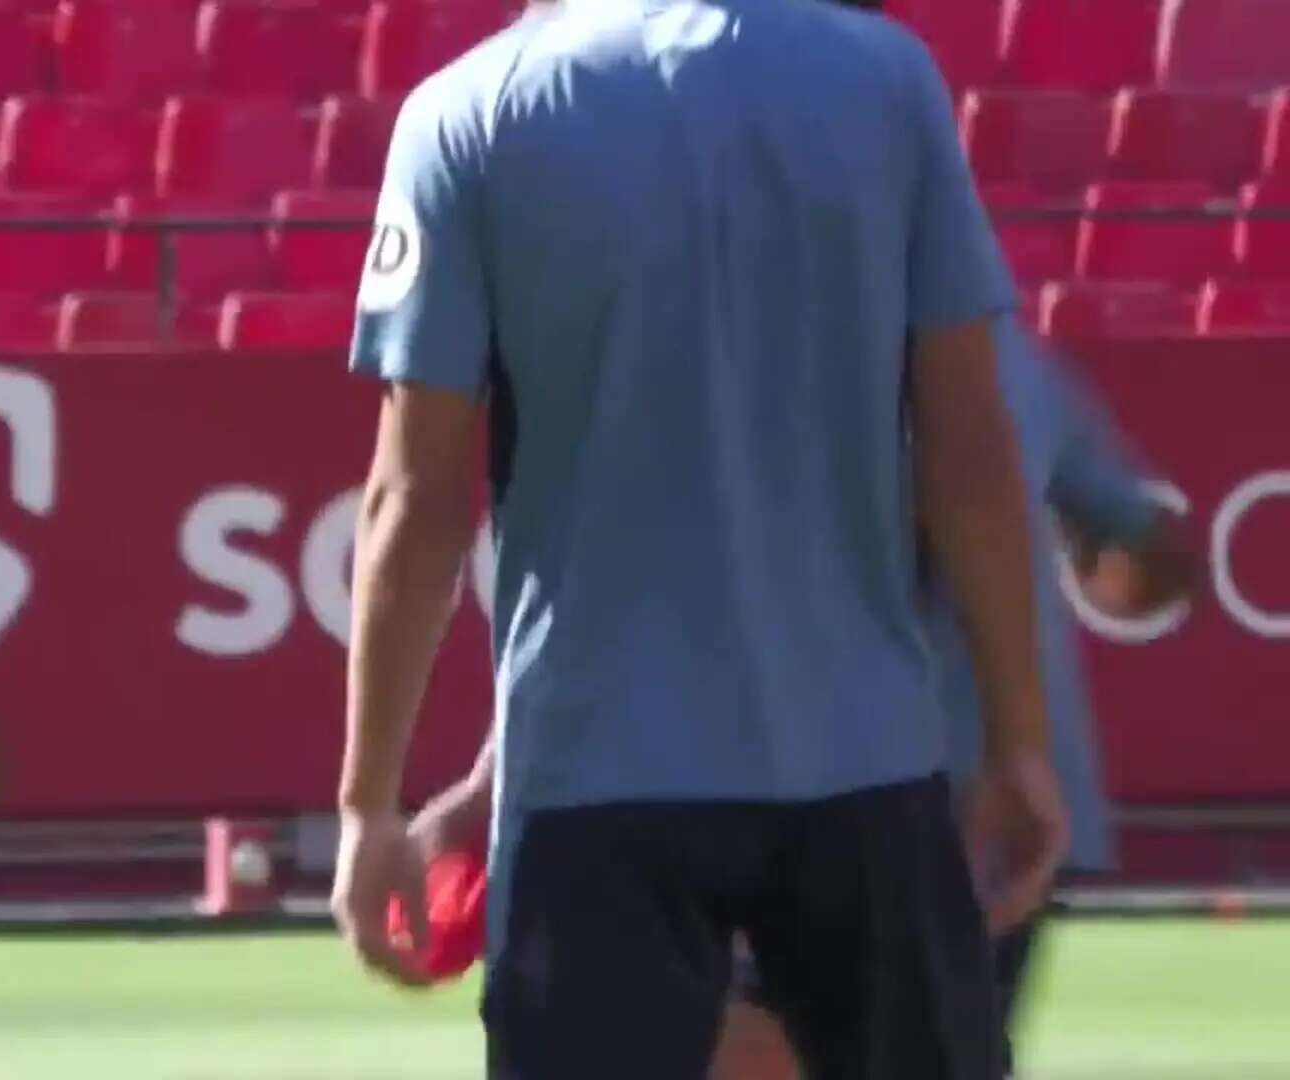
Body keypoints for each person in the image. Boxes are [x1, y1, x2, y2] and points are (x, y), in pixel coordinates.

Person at [330, 0, 1069, 1076]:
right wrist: (1019, 742)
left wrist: (370, 804)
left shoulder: (471, 113)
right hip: (863, 766)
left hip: (595, 787)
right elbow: (969, 453)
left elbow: (417, 499)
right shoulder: (884, 83)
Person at [405, 323, 1200, 1080]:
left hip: (845, 796)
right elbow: (1154, 557)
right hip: (992, 801)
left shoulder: (745, 351)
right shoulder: (1008, 352)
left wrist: (489, 784)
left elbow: (636, 591)